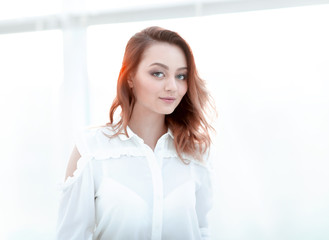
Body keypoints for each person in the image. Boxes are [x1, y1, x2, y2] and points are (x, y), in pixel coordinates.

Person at [56, 26, 215, 240]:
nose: (172, 87)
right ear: (130, 76)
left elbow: (202, 231)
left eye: (181, 76)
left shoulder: (196, 153)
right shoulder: (92, 149)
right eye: (158, 73)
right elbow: (70, 235)